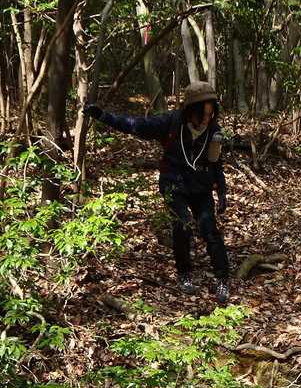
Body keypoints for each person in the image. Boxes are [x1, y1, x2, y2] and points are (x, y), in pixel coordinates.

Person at [84, 81, 231, 303]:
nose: (206, 119)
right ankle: (184, 274)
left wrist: (222, 192)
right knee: (182, 224)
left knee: (209, 229)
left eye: (210, 114)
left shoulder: (213, 131)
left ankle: (222, 279)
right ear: (191, 109)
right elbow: (136, 125)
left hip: (201, 187)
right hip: (174, 184)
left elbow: (216, 164)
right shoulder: (171, 123)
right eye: (203, 114)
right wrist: (104, 116)